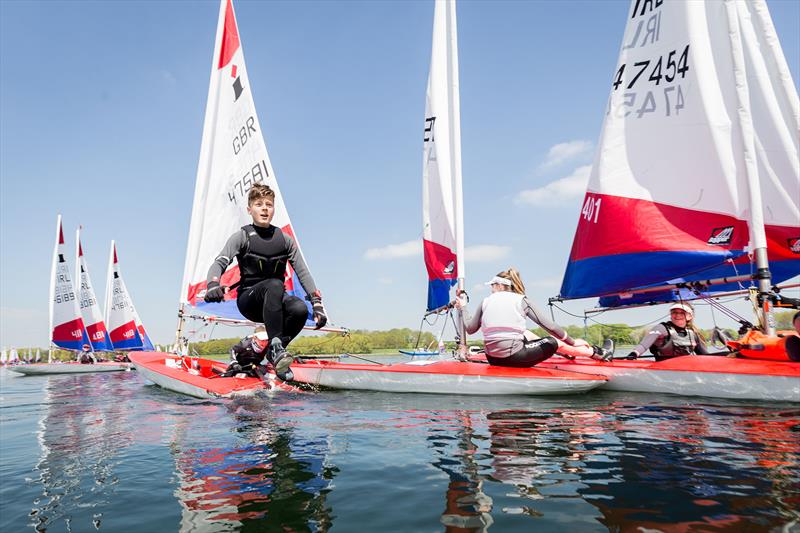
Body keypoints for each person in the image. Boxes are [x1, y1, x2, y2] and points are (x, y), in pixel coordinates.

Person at [203, 183, 326, 380]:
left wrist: (317, 304)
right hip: (249, 300)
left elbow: (302, 271)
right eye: (259, 204)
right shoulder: (242, 236)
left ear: (273, 209)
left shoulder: (284, 240)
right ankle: (276, 349)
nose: (264, 208)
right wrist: (212, 285)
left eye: (269, 204)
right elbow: (219, 262)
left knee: (299, 309)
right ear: (249, 209)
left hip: (275, 301)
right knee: (275, 284)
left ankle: (270, 351)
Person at [454, 268, 614, 368]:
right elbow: (550, 327)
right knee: (552, 341)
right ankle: (597, 352)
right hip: (513, 358)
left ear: (500, 285)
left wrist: (463, 307)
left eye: (492, 286)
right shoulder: (521, 300)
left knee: (526, 333)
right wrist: (573, 341)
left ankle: (567, 352)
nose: (491, 289)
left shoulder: (485, 302)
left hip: (493, 359)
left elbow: (470, 328)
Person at [626, 302, 709, 361]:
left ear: (690, 316)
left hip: (685, 370)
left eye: (682, 313)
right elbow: (644, 345)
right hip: (663, 370)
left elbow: (706, 356)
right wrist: (634, 354)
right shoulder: (661, 328)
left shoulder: (692, 334)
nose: (677, 315)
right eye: (674, 312)